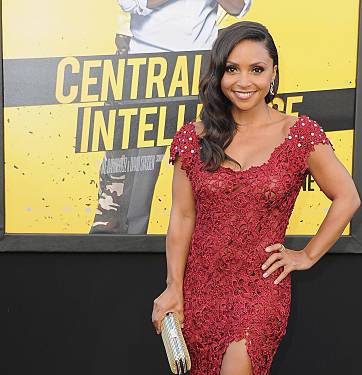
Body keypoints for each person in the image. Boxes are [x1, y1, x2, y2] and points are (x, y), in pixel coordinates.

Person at [152, 21, 361, 375]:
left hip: (260, 289)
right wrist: (173, 287)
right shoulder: (195, 138)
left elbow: (347, 197)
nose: (244, 80)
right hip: (202, 288)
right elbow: (182, 219)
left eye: (256, 69)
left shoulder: (300, 133)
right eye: (233, 69)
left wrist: (306, 255)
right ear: (219, 74)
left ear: (273, 74)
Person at [89, 0, 252, 234]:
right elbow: (131, 3)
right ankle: (126, 246)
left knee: (208, 165)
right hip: (144, 66)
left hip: (199, 69)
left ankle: (209, 250)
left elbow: (239, 7)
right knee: (137, 175)